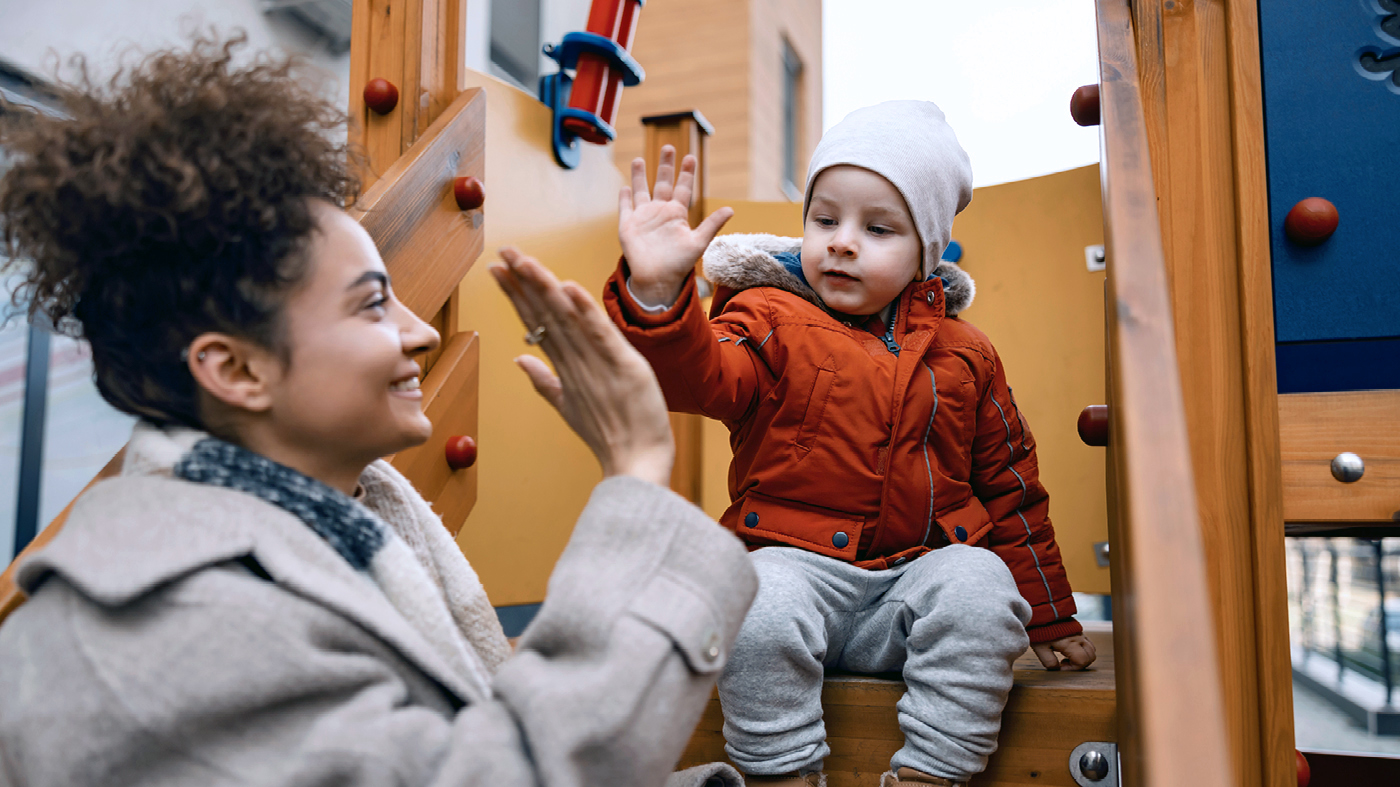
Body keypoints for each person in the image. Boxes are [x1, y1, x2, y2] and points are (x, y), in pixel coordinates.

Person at [0, 37, 757, 787]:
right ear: (235, 369)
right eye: (372, 303)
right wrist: (634, 474)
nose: (422, 330)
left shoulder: (347, 521)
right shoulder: (157, 633)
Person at [603, 101, 1097, 787]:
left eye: (878, 227)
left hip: (913, 589)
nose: (841, 241)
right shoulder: (766, 317)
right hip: (799, 575)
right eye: (825, 218)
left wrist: (1048, 614)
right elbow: (701, 376)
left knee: (982, 584)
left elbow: (1010, 484)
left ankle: (933, 770)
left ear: (927, 248)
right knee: (753, 597)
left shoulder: (967, 354)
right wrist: (658, 296)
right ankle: (783, 773)